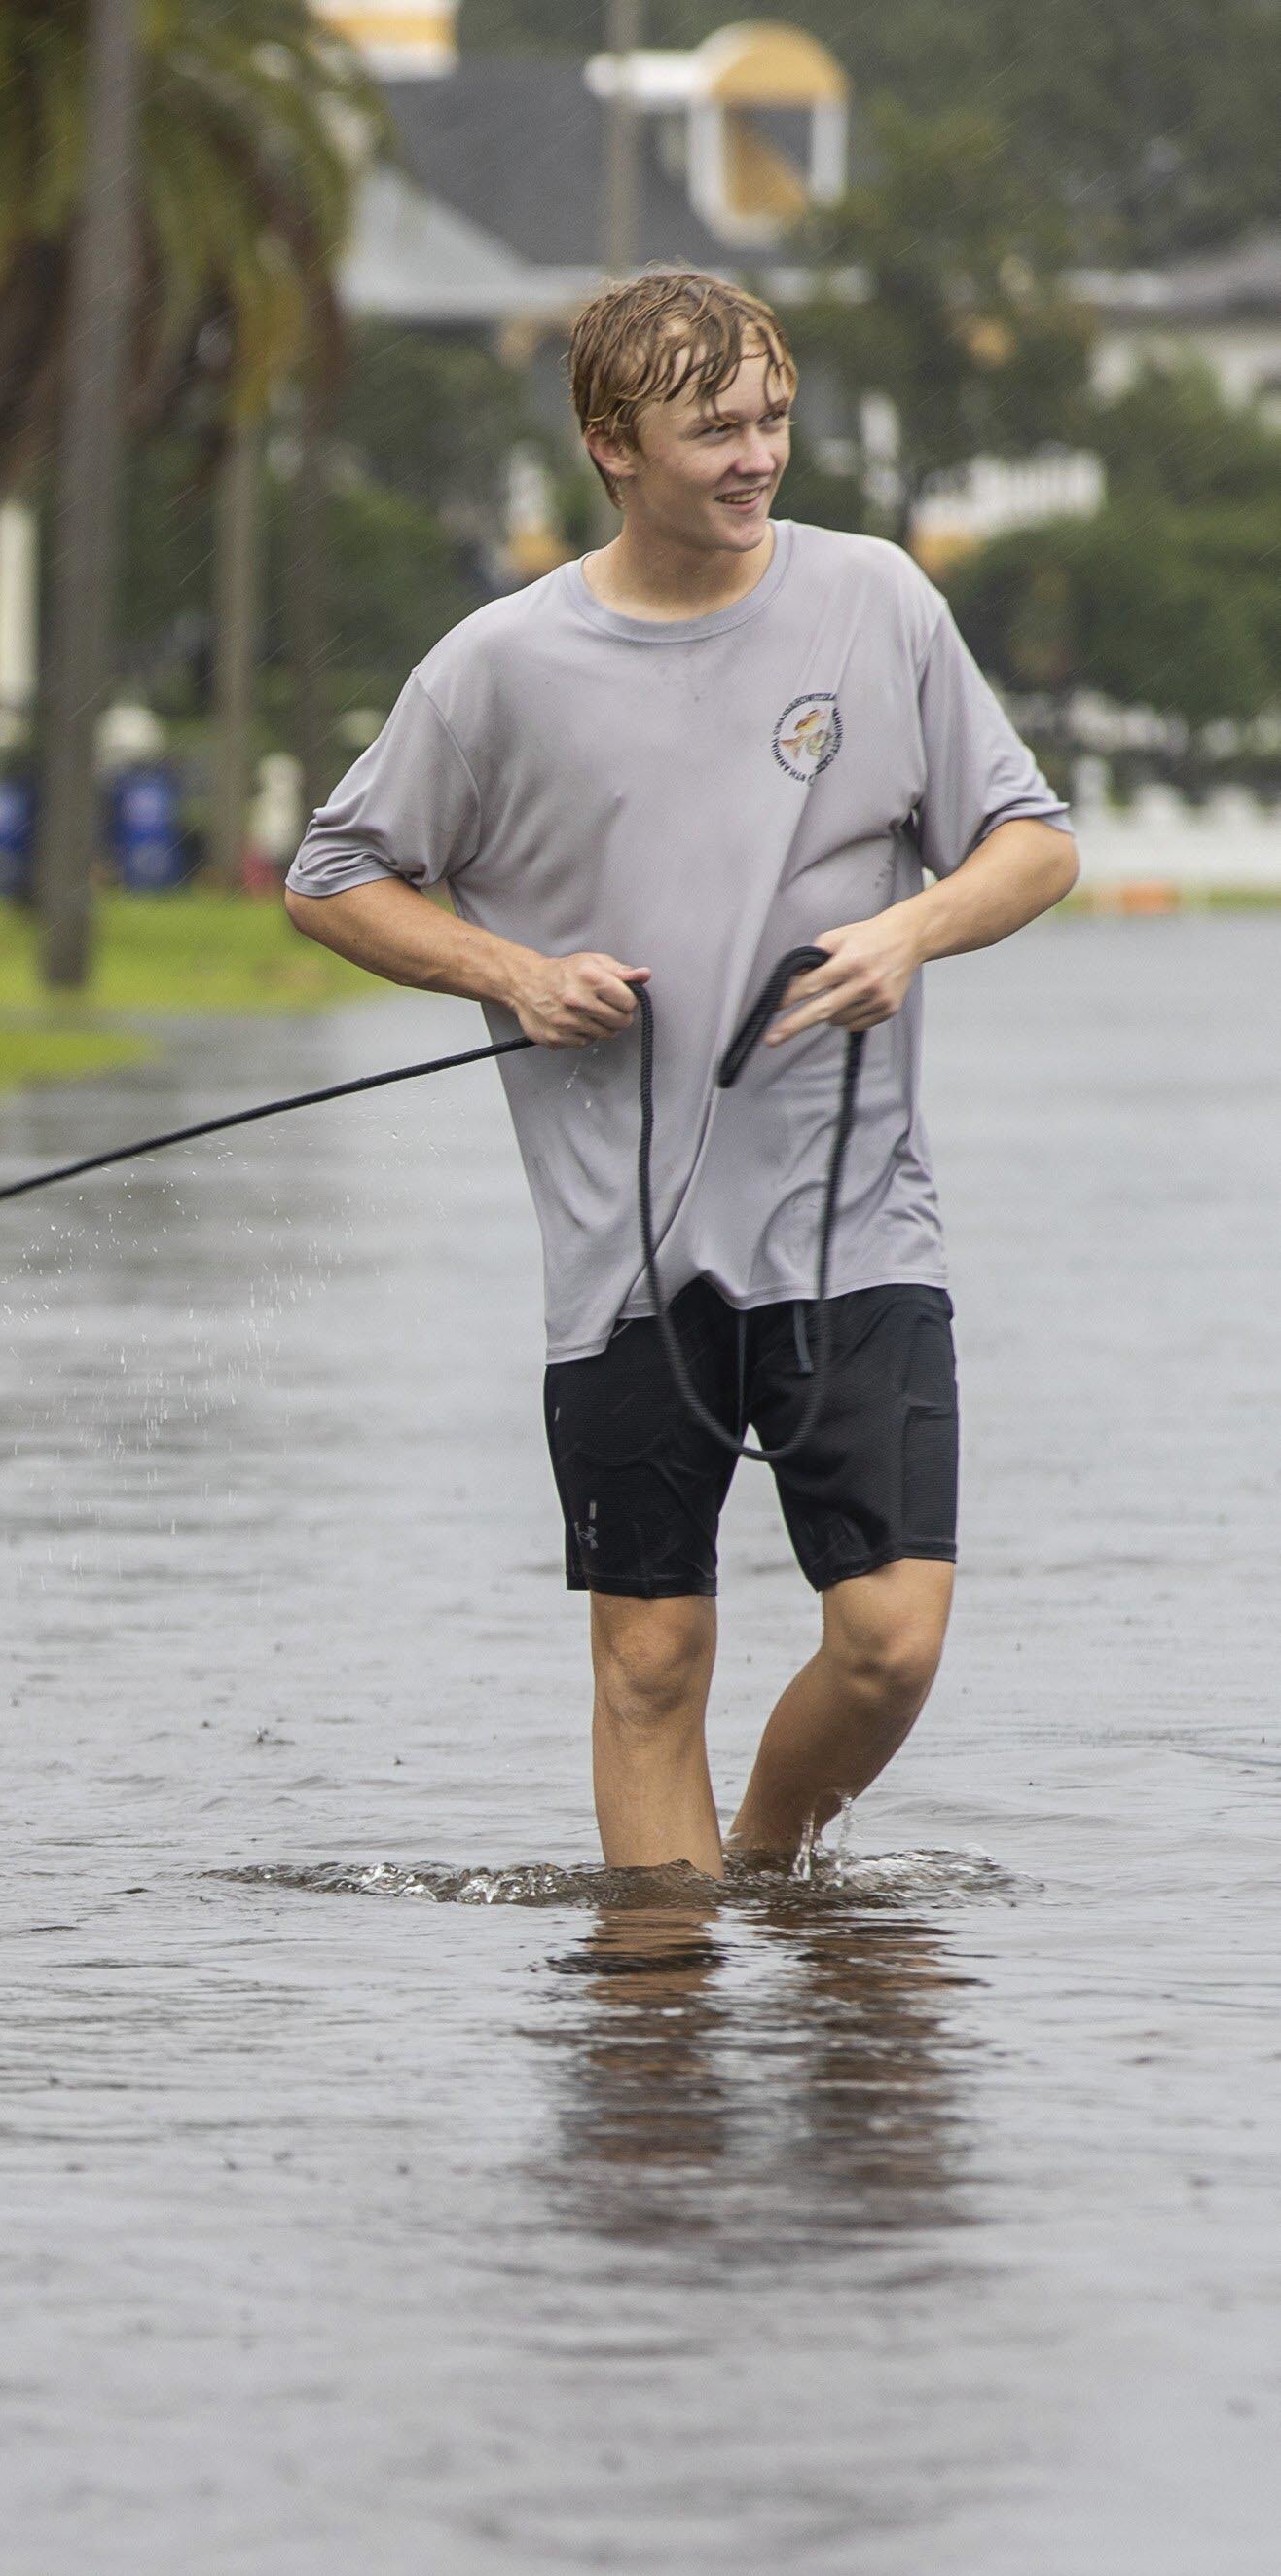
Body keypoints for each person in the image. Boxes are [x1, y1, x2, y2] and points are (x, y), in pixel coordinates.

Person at [282, 270, 1077, 1876]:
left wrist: (910, 931)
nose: (755, 455)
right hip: (623, 1257)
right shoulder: (500, 666)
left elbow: (1035, 843)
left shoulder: (878, 606)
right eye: (714, 427)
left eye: (772, 418)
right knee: (650, 1661)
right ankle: (653, 2036)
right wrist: (514, 972)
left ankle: (769, 1852)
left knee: (890, 1641)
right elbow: (329, 875)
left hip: (854, 1223)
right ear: (609, 444)